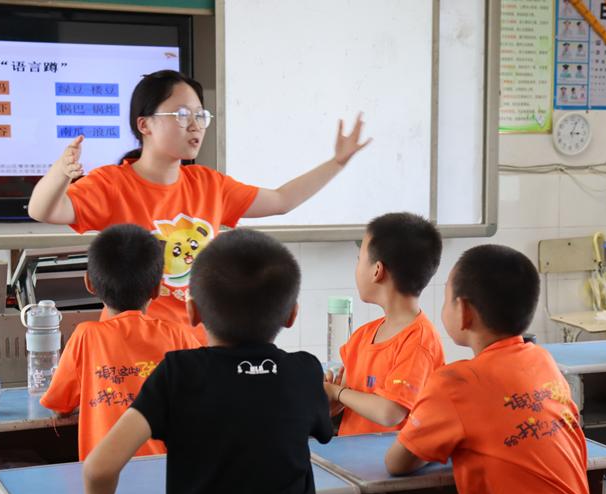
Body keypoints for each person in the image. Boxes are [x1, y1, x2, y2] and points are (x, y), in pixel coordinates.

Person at [54, 228, 332, 494]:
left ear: (193, 311)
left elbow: (98, 468)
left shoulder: (179, 374)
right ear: (291, 314)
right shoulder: (304, 371)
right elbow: (317, 426)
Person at [29, 69, 369, 341]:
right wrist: (60, 173)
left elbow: (282, 200)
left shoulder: (208, 184)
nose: (194, 125)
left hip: (197, 347)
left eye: (200, 115)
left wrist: (336, 163)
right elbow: (42, 210)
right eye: (181, 115)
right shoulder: (112, 184)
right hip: (132, 346)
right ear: (144, 124)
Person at [385, 244, 605, 494]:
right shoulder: (541, 360)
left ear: (463, 311)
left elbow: (397, 462)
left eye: (446, 299)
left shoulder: (456, 383)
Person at [41, 224, 199, 461]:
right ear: (157, 289)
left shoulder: (86, 336)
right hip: (166, 475)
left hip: (105, 476)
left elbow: (59, 406)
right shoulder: (180, 335)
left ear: (89, 283)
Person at [323, 212, 444, 435]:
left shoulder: (420, 341)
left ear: (377, 271)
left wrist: (337, 393)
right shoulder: (362, 336)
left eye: (359, 260)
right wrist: (333, 404)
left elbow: (390, 412)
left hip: (389, 458)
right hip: (350, 455)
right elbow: (350, 401)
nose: (357, 268)